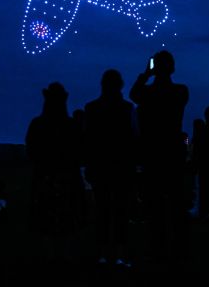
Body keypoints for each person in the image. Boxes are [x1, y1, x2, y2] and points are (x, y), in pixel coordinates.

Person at [129, 50, 189, 262]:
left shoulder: (147, 94)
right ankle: (179, 249)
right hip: (172, 153)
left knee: (155, 205)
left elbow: (133, 94)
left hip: (153, 155)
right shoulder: (181, 91)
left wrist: (147, 74)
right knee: (176, 204)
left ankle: (157, 248)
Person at [25, 82, 85, 267]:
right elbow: (79, 151)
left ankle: (50, 257)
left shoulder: (38, 124)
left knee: (46, 215)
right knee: (66, 216)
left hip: (45, 176)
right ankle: (63, 257)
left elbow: (31, 150)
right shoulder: (71, 125)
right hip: (67, 177)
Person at [84, 69, 137, 268]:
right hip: (122, 167)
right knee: (121, 211)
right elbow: (134, 137)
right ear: (120, 85)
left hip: (100, 166)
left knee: (103, 211)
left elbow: (87, 139)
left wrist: (89, 164)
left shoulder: (91, 108)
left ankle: (103, 253)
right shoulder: (127, 108)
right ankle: (121, 254)